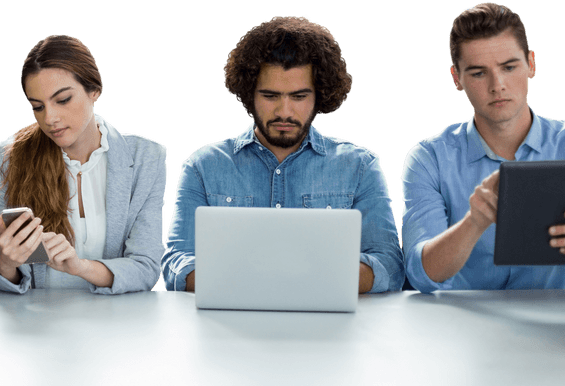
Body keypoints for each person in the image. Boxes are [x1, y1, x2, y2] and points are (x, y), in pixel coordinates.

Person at [162, 16, 404, 293]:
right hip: (229, 328)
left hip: (330, 330)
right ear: (249, 94)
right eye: (270, 96)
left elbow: (390, 267)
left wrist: (266, 275)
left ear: (319, 95)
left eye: (299, 97)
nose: (284, 112)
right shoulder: (204, 166)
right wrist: (307, 274)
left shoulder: (359, 166)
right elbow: (176, 266)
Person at [401, 2, 565, 294]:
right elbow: (421, 275)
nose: (497, 85)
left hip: (553, 326)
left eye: (509, 67)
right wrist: (474, 222)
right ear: (457, 78)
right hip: (458, 326)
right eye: (479, 73)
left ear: (531, 63)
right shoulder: (429, 159)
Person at [0, 35, 166, 294]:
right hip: (37, 323)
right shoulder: (11, 156)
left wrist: (80, 267)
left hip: (119, 322)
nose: (50, 118)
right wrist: (5, 261)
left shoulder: (145, 158)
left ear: (94, 91)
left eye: (62, 100)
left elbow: (146, 267)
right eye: (37, 107)